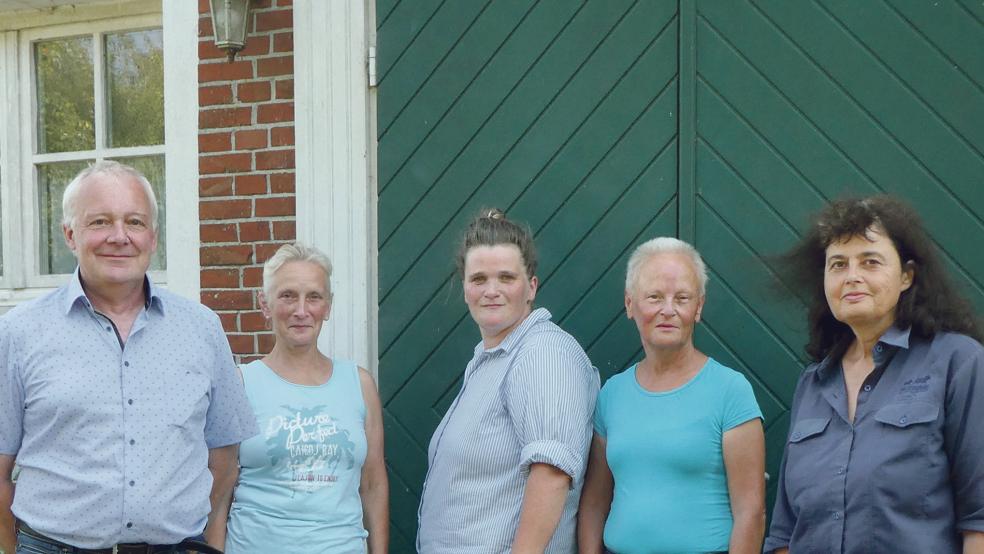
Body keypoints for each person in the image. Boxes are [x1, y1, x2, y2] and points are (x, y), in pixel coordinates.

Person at [0, 160, 257, 553]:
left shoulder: (202, 329)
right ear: (70, 235)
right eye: (100, 221)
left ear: (153, 237)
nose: (119, 237)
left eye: (135, 223)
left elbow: (223, 456)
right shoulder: (18, 333)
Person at [764, 195, 984, 553]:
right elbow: (785, 533)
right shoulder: (813, 383)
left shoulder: (958, 363)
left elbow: (980, 519)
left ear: (906, 276)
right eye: (838, 265)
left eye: (870, 262)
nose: (852, 277)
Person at [416, 208, 599, 553]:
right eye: (479, 279)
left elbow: (552, 473)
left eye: (506, 277)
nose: (491, 291)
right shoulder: (491, 360)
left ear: (531, 287)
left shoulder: (543, 353)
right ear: (465, 287)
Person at [578, 237, 765, 554]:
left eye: (682, 298)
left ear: (699, 307)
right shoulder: (612, 394)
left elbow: (752, 512)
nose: (668, 310)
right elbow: (594, 503)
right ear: (629, 304)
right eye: (654, 297)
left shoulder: (730, 391)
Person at [225, 243, 388, 553]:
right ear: (265, 304)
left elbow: (373, 484)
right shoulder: (242, 384)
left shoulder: (359, 384)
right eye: (288, 296)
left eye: (313, 297)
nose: (301, 310)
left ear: (327, 306)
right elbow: (221, 490)